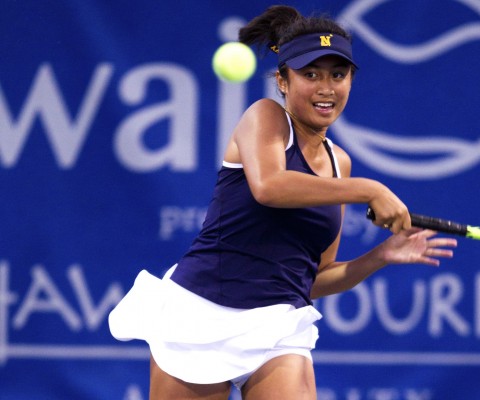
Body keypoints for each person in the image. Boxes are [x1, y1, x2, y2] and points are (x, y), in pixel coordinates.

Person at [109, 5, 457, 400]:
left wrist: (379, 257)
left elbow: (316, 278)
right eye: (311, 75)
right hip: (201, 313)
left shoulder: (338, 163)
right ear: (282, 81)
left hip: (278, 325)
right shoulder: (265, 117)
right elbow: (270, 187)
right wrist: (370, 189)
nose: (326, 88)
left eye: (338, 75)